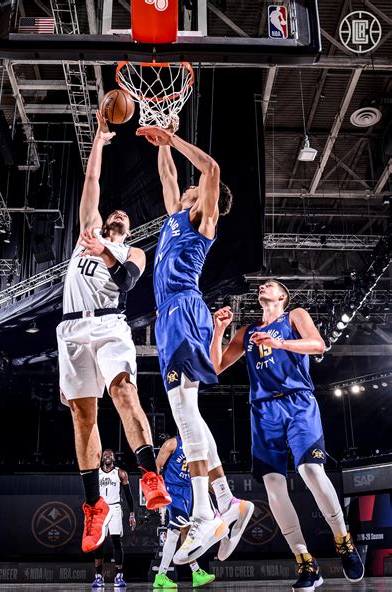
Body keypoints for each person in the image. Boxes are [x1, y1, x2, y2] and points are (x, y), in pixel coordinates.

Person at [136, 125, 253, 565]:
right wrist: (161, 146)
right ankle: (228, 501)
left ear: (206, 200)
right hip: (171, 316)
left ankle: (204, 513)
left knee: (184, 416)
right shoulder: (174, 216)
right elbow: (168, 177)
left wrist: (175, 139)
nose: (187, 187)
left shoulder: (203, 220)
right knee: (190, 413)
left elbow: (211, 168)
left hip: (184, 308)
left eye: (195, 188)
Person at [57, 111, 171, 555]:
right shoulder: (88, 232)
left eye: (123, 216)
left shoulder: (134, 251)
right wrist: (99, 143)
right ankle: (93, 508)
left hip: (109, 323)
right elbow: (91, 183)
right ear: (106, 220)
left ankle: (149, 476)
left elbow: (125, 283)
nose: (118, 213)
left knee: (124, 393)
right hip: (70, 327)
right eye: (114, 213)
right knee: (82, 415)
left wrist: (106, 249)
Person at [210, 280, 365, 591]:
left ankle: (343, 541)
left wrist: (281, 344)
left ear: (281, 296)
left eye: (272, 284)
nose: (264, 284)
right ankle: (305, 561)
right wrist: (218, 330)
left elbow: (319, 344)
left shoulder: (294, 315)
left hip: (297, 403)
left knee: (310, 469)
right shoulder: (247, 332)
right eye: (263, 284)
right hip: (263, 411)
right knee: (273, 485)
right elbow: (214, 368)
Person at [154, 435, 216, 589]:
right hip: (172, 490)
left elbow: (202, 476)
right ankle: (195, 571)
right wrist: (155, 493)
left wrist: (221, 495)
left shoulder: (197, 446)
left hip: (187, 492)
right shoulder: (173, 443)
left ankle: (162, 576)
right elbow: (157, 465)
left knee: (176, 532)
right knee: (185, 528)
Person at [92, 449, 136, 589]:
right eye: (105, 455)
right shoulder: (96, 474)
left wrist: (132, 514)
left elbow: (128, 495)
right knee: (99, 543)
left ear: (114, 458)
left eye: (110, 455)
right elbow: (91, 495)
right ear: (102, 458)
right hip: (100, 509)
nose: (107, 457)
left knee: (116, 541)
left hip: (115, 508)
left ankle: (119, 575)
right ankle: (98, 576)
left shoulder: (120, 473)